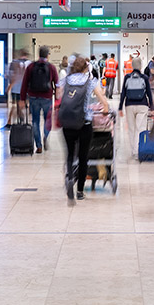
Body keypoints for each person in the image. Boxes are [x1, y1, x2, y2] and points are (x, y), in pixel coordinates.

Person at [57, 56, 111, 203]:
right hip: (84, 123)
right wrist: (105, 109)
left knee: (70, 154)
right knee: (83, 157)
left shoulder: (65, 80)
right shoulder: (90, 81)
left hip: (67, 122)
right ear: (86, 68)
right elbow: (103, 101)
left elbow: (59, 95)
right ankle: (80, 191)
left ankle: (69, 178)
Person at [19, 45, 59, 154]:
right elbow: (57, 84)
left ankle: (39, 146)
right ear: (47, 55)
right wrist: (57, 99)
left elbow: (25, 83)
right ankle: (45, 135)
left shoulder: (31, 66)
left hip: (33, 97)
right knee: (48, 120)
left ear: (39, 54)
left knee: (35, 121)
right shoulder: (51, 67)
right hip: (47, 97)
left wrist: (22, 99)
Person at [118, 56, 153, 157]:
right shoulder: (144, 77)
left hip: (129, 105)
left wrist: (120, 107)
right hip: (143, 105)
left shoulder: (127, 77)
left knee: (131, 129)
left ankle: (134, 151)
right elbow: (149, 93)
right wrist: (152, 106)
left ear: (132, 66)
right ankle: (139, 150)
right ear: (140, 66)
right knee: (140, 128)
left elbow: (123, 93)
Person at [5, 49, 29, 129]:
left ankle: (11, 122)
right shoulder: (27, 63)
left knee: (15, 105)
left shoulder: (15, 63)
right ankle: (20, 120)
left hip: (16, 88)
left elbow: (14, 76)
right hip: (24, 88)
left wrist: (10, 86)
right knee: (19, 105)